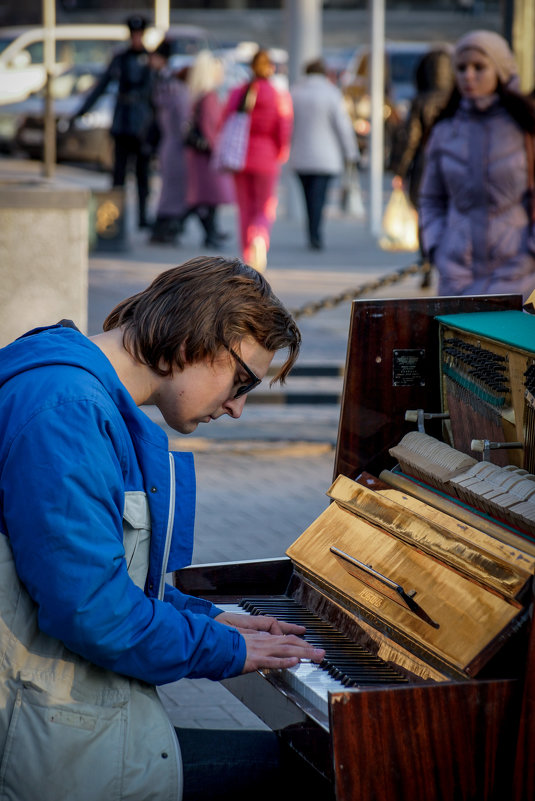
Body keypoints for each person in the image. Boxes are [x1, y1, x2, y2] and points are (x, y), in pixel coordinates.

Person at [0, 256, 325, 801]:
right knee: (306, 776)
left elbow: (95, 580)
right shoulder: (68, 410)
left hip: (59, 725)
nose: (238, 407)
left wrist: (212, 618)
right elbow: (94, 613)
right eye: (241, 380)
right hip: (40, 745)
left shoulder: (79, 393)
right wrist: (224, 650)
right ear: (193, 339)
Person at [419, 30, 535, 299]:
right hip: (456, 276)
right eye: (461, 68)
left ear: (500, 71)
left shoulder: (526, 127)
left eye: (479, 67)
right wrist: (437, 246)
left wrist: (530, 252)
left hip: (519, 276)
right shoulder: (444, 130)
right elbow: (430, 198)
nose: (468, 76)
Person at [72, 14, 155, 229]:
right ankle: (114, 219)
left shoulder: (150, 59)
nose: (136, 38)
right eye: (133, 34)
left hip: (143, 125)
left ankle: (143, 219)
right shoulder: (120, 58)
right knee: (118, 176)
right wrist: (80, 112)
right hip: (123, 123)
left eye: (139, 34)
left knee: (142, 175)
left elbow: (157, 96)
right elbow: (101, 87)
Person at [219, 49, 293, 273]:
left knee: (245, 207)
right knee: (265, 206)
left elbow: (224, 121)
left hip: (239, 158)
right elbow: (283, 127)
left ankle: (247, 255)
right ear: (270, 68)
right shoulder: (278, 95)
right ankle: (259, 236)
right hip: (266, 157)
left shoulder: (239, 91)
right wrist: (281, 152)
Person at [389, 48, 454, 286]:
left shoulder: (420, 101)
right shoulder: (457, 100)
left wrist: (399, 170)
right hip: (452, 166)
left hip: (424, 167)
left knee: (425, 217)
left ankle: (426, 262)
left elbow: (410, 139)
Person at [289, 57, 359, 250]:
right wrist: (351, 152)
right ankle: (316, 234)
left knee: (308, 197)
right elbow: (342, 126)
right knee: (319, 197)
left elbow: (288, 126)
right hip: (326, 157)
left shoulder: (295, 92)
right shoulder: (331, 93)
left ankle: (312, 232)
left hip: (301, 156)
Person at [182, 50, 233, 248]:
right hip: (207, 155)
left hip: (197, 154)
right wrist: (219, 152)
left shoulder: (198, 94)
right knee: (208, 198)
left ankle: (210, 231)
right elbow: (210, 127)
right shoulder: (210, 96)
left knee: (202, 197)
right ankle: (207, 232)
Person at [149, 41, 191, 245]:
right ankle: (166, 230)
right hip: (176, 146)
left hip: (166, 143)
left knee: (168, 191)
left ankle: (162, 229)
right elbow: (183, 122)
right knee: (174, 191)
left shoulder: (162, 87)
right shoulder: (178, 91)